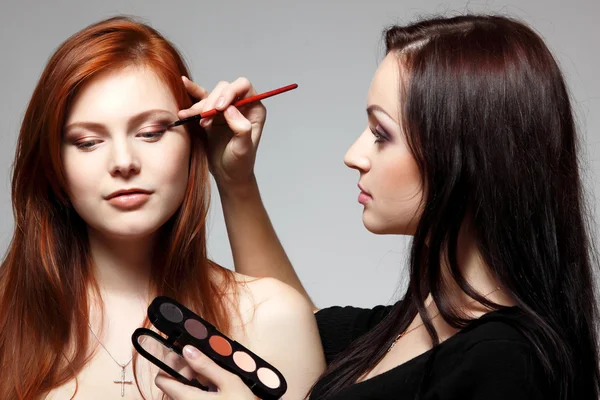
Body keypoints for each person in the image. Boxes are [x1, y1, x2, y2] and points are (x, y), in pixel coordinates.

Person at [167, 14, 600, 399]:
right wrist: (236, 181)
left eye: (381, 133)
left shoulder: (508, 365)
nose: (354, 154)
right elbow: (291, 329)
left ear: (467, 157)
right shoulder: (418, 320)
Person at [0, 16, 325, 399]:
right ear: (52, 164)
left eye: (150, 133)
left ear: (194, 140)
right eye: (88, 141)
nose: (123, 161)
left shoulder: (275, 317)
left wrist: (235, 181)